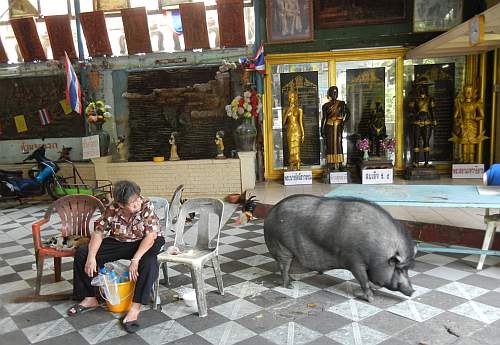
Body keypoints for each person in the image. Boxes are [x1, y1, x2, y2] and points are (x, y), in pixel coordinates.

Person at [67, 180, 165, 334]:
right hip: (120, 241)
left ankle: (135, 307)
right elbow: (99, 232)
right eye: (132, 203)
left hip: (146, 240)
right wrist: (92, 256)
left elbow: (151, 235)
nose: (137, 203)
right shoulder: (112, 209)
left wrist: (136, 259)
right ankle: (89, 297)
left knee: (149, 263)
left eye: (138, 198)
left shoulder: (146, 205)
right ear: (120, 204)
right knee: (83, 253)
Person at [450, 85, 486, 163]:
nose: (468, 93)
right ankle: (465, 160)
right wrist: (459, 120)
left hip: (472, 126)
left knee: (472, 143)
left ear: (473, 93)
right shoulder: (461, 104)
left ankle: (472, 160)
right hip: (464, 125)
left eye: (470, 91)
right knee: (465, 143)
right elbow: (455, 116)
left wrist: (475, 118)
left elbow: (482, 116)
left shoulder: (476, 104)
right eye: (466, 91)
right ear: (463, 93)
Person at [408, 77, 437, 167]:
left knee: (426, 142)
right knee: (416, 142)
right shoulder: (414, 99)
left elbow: (432, 111)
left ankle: (426, 162)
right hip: (417, 122)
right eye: (421, 87)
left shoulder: (430, 99)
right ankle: (416, 162)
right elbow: (411, 111)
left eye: (424, 87)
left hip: (427, 122)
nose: (422, 89)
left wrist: (434, 120)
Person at [321, 86, 350, 172]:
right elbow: (324, 118)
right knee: (330, 144)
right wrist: (322, 130)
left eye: (336, 92)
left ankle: (340, 163)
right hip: (329, 127)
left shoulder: (342, 104)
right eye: (333, 92)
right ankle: (331, 164)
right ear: (329, 93)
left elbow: (348, 114)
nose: (335, 94)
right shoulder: (325, 106)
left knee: (339, 143)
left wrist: (343, 122)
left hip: (338, 127)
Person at [282, 91, 304, 170]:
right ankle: (291, 165)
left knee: (297, 148)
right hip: (290, 130)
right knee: (291, 148)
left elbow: (301, 122)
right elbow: (283, 122)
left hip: (297, 130)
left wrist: (303, 134)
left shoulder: (299, 109)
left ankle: (298, 165)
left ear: (295, 98)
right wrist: (287, 112)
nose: (291, 99)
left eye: (292, 97)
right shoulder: (286, 109)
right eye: (290, 97)